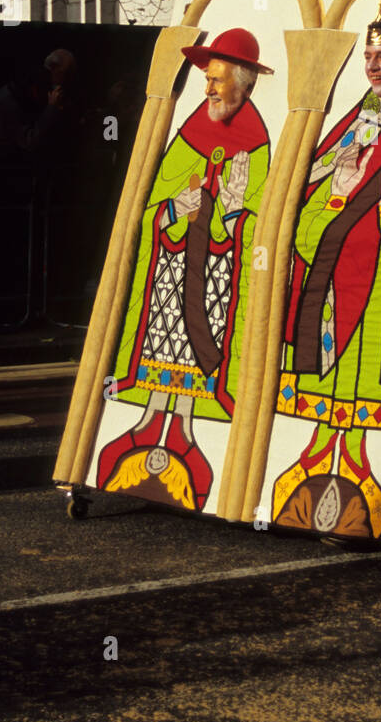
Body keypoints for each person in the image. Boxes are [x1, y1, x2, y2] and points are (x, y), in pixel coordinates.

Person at [271, 0, 381, 540]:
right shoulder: (352, 121)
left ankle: (367, 479)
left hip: (376, 288)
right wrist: (335, 192)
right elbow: (309, 189)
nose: (372, 64)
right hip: (331, 277)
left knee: (363, 386)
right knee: (326, 387)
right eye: (368, 56)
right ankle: (313, 463)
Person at [96, 28, 272, 511]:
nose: (209, 89)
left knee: (200, 360)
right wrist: (173, 209)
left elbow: (263, 225)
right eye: (208, 80)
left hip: (218, 281)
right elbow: (153, 206)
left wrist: (235, 214)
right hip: (168, 279)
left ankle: (191, 437)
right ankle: (148, 428)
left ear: (246, 83)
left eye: (217, 80)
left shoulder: (258, 144)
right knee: (161, 353)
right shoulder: (191, 132)